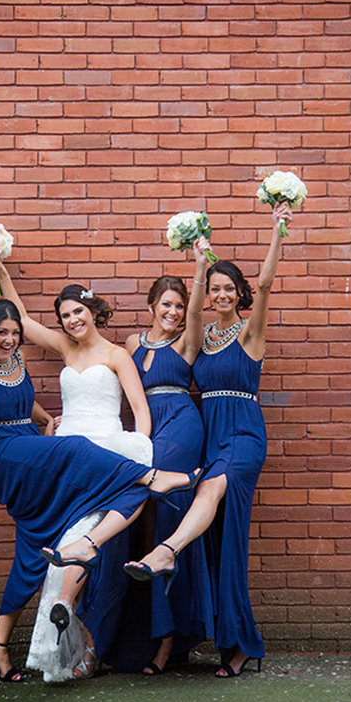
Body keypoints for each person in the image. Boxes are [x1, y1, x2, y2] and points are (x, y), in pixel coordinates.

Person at [0, 299, 200, 683]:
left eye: (15, 334)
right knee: (75, 446)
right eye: (2, 334)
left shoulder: (16, 362)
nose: (9, 340)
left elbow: (21, 401)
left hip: (27, 447)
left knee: (31, 550)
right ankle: (151, 477)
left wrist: (44, 418)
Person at [123, 201, 292, 677]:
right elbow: (190, 307)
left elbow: (266, 283)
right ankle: (236, 644)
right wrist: (199, 263)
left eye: (227, 289)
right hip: (211, 433)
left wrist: (278, 229)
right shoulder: (205, 336)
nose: (220, 295)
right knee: (221, 542)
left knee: (213, 488)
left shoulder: (249, 333)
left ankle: (166, 550)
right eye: (215, 289)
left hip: (242, 433)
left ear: (239, 294)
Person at [118, 237, 213, 674]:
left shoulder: (185, 343)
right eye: (167, 305)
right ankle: (142, 631)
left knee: (166, 519)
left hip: (181, 425)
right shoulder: (130, 343)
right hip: (144, 431)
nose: (174, 313)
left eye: (179, 306)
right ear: (152, 306)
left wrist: (198, 267)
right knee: (145, 525)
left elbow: (196, 314)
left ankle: (168, 641)